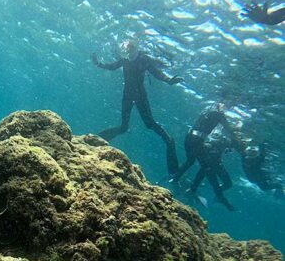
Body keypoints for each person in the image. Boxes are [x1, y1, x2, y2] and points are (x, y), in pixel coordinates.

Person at [91, 40, 183, 174]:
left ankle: (169, 140)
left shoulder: (143, 59)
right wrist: (97, 63)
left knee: (150, 124)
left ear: (135, 49)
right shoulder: (125, 60)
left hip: (140, 96)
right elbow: (111, 66)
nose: (128, 52)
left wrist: (169, 80)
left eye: (130, 49)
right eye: (127, 50)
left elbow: (156, 72)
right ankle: (97, 140)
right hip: (128, 95)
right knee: (124, 127)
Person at [171, 103, 239, 183]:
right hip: (197, 140)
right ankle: (192, 188)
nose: (226, 109)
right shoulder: (219, 114)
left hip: (189, 137)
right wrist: (239, 127)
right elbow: (228, 129)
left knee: (190, 161)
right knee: (206, 165)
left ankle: (175, 179)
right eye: (227, 107)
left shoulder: (207, 110)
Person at [186, 131, 235, 211]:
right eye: (214, 135)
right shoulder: (205, 145)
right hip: (209, 169)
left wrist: (230, 146)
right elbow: (200, 164)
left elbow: (231, 147)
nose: (216, 137)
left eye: (217, 135)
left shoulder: (222, 143)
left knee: (228, 184)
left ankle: (217, 195)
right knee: (215, 186)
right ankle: (223, 200)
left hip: (219, 166)